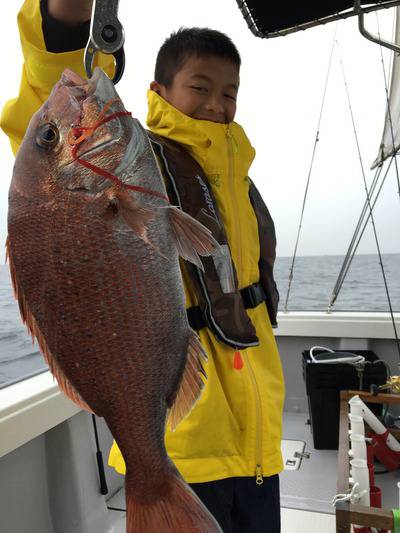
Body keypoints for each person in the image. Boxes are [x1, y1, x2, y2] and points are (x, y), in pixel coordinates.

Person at [1, 1, 285, 531]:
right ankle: (149, 481)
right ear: (159, 93)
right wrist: (66, 20)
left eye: (229, 93)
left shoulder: (237, 182)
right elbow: (45, 106)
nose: (216, 104)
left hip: (259, 441)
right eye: (199, 87)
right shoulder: (141, 158)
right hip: (189, 442)